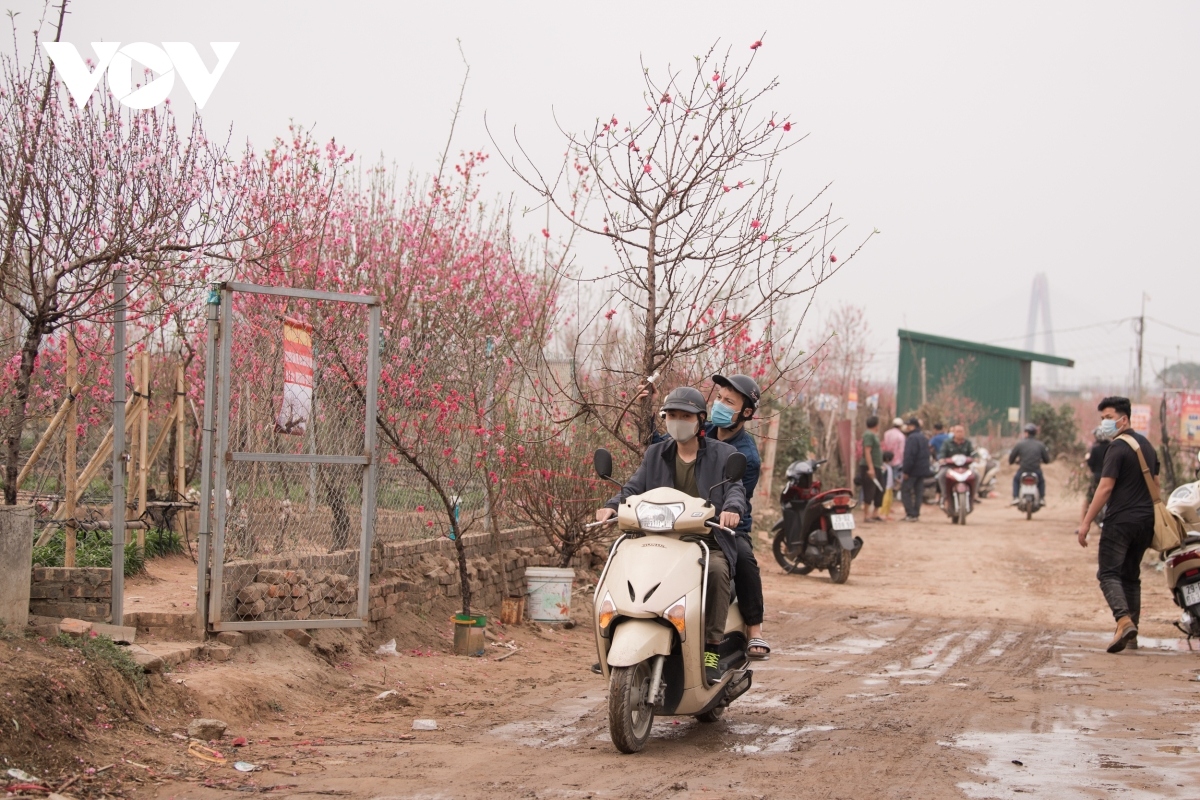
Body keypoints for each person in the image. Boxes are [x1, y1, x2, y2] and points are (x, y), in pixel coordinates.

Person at [595, 386, 746, 682]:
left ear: (700, 419)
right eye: (672, 415)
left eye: (685, 415)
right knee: (620, 560)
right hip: (659, 539)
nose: (678, 420)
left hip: (705, 541)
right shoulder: (656, 453)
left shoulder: (723, 454)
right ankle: (615, 639)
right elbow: (633, 487)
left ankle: (711, 648)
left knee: (716, 571)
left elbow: (735, 489)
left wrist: (731, 508)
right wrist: (612, 506)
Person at [1075, 396, 1159, 653]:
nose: (1104, 423)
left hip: (1120, 520)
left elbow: (1105, 487)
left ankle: (1123, 621)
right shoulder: (1147, 446)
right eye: (1102, 418)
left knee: (1108, 573)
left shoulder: (1118, 447)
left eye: (1108, 418)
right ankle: (1132, 634)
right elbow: (1156, 485)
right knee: (1131, 577)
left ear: (1124, 419)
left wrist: (1086, 521)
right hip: (1146, 521)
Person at [707, 374, 770, 660]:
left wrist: (728, 514)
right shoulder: (703, 433)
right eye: (719, 398)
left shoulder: (747, 456)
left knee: (744, 559)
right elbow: (665, 447)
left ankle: (754, 628)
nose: (719, 404)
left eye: (728, 401)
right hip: (688, 518)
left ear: (746, 412)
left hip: (729, 526)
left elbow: (735, 497)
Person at [1009, 423, 1050, 504]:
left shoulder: (1020, 444)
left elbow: (1011, 459)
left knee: (1016, 480)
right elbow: (1047, 460)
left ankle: (1015, 497)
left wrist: (1015, 462)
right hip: (1036, 470)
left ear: (1026, 433)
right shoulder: (1040, 445)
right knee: (1041, 481)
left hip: (1023, 470)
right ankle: (1042, 498)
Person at [900, 417, 930, 521]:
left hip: (912, 470)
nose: (907, 427)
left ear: (912, 426)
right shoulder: (923, 437)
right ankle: (916, 513)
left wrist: (906, 470)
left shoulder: (912, 438)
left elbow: (909, 456)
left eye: (908, 425)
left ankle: (910, 513)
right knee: (918, 492)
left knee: (906, 491)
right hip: (922, 470)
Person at [936, 425, 974, 504]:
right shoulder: (947, 443)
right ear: (954, 433)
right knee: (940, 476)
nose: (959, 434)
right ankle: (944, 495)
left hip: (965, 467)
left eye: (961, 431)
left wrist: (976, 458)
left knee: (976, 475)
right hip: (950, 467)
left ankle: (974, 494)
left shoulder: (968, 443)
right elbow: (942, 453)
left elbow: (973, 453)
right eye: (957, 431)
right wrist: (942, 459)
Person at [857, 416, 883, 522]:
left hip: (877, 465)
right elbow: (867, 451)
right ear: (876, 425)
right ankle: (866, 515)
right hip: (869, 466)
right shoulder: (868, 435)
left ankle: (875, 513)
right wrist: (871, 468)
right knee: (869, 489)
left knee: (880, 489)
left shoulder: (874, 435)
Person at [1083, 425, 1112, 519]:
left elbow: (1091, 464)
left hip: (1097, 477)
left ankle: (1082, 522)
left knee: (1088, 499)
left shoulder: (1095, 449)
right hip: (1110, 478)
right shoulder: (1112, 448)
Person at [880, 450, 897, 520]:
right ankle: (882, 513)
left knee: (889, 501)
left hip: (890, 486)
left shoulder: (889, 467)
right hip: (885, 486)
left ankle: (887, 514)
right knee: (885, 500)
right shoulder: (883, 467)